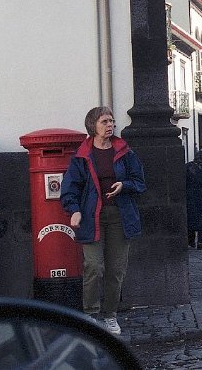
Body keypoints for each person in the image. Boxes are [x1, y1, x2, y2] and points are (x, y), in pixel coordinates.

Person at [60, 106, 146, 335]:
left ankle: (110, 315)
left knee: (116, 269)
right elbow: (70, 189)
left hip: (120, 216)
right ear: (93, 126)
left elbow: (140, 181)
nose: (110, 125)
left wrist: (124, 185)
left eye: (112, 121)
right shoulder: (82, 155)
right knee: (94, 267)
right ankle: (90, 314)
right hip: (91, 217)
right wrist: (74, 211)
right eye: (105, 122)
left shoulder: (124, 151)